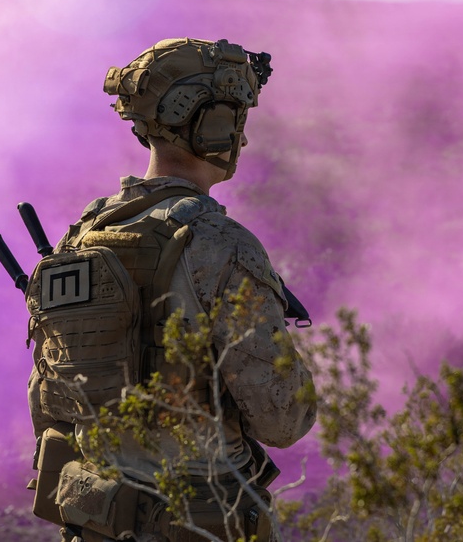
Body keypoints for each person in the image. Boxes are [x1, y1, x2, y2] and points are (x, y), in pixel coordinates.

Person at [27, 38, 316, 542]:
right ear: (213, 124)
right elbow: (283, 420)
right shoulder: (218, 243)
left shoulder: (84, 233)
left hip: (95, 520)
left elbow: (47, 397)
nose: (242, 141)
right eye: (236, 119)